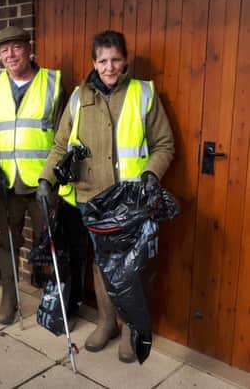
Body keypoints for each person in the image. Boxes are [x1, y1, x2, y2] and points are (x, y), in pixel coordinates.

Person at [38, 30, 174, 362]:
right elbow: (60, 146)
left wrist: (151, 175)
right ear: (93, 62)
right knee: (101, 264)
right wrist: (45, 179)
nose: (109, 67)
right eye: (102, 60)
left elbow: (164, 145)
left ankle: (131, 328)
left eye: (115, 59)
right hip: (90, 198)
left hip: (129, 202)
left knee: (130, 267)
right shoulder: (78, 97)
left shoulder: (143, 94)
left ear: (125, 60)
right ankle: (106, 321)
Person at [0, 26, 65, 325]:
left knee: (52, 243)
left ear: (29, 49)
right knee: (6, 242)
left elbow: (63, 138)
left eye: (16, 47)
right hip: (6, 184)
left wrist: (49, 178)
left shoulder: (53, 83)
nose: (10, 54)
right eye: (4, 50)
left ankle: (55, 300)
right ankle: (9, 298)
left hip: (44, 184)